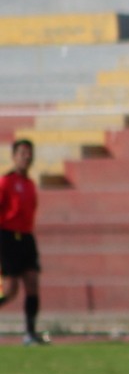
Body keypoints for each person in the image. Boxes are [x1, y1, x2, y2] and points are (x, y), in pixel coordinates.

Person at [0, 138, 47, 344]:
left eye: (29, 154)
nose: (26, 157)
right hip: (8, 237)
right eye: (22, 153)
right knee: (10, 290)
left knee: (33, 284)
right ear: (14, 156)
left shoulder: (30, 184)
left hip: (26, 237)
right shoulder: (5, 182)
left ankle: (30, 333)